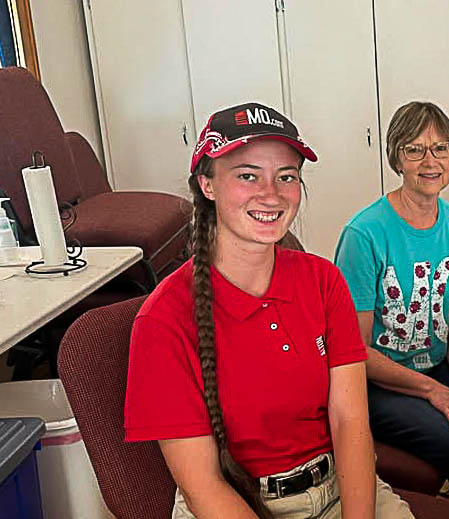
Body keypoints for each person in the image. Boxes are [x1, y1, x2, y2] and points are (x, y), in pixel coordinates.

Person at [124, 103, 414, 519]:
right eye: (247, 175)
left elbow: (350, 421)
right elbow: (203, 485)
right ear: (207, 184)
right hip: (236, 503)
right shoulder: (164, 319)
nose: (271, 194)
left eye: (286, 176)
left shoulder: (324, 280)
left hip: (336, 488)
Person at [334, 101, 449, 519]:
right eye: (415, 149)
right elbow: (353, 352)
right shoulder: (365, 233)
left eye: (441, 148)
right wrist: (434, 390)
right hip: (377, 382)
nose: (431, 161)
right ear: (396, 156)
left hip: (442, 367)